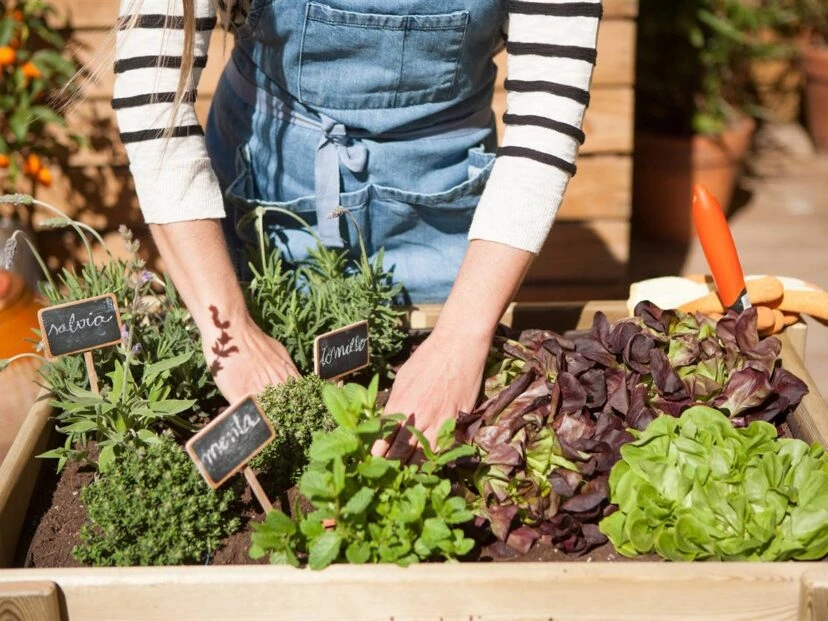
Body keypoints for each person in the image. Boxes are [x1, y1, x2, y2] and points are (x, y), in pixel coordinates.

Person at [113, 0, 602, 462]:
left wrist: (460, 339)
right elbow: (153, 107)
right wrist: (230, 330)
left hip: (437, 210)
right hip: (264, 201)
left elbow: (545, 121)